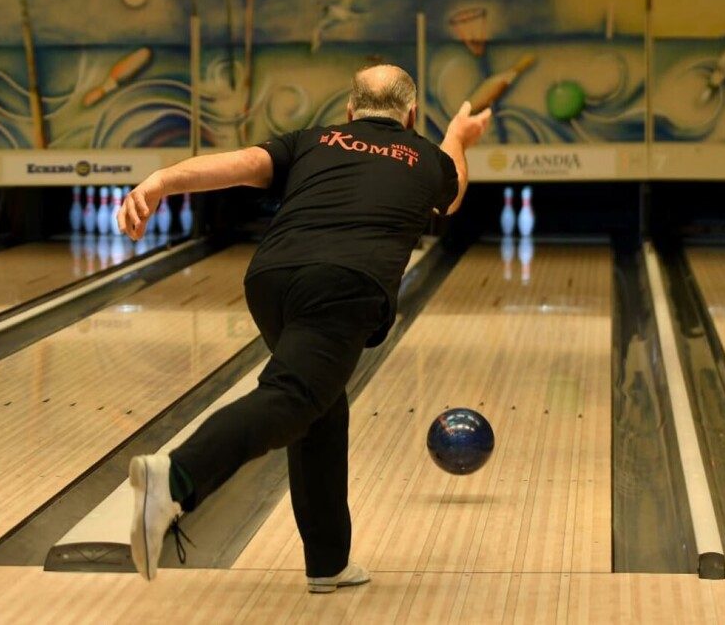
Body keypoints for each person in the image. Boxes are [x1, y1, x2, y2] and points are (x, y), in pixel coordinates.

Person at [118, 64, 491, 591]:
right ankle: (174, 478)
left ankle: (327, 561)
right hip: (344, 284)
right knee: (294, 398)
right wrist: (457, 136)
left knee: (322, 405)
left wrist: (162, 180)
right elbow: (451, 194)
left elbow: (240, 164)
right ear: (410, 116)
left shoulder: (313, 140)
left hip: (270, 281)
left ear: (349, 111)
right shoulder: (425, 155)